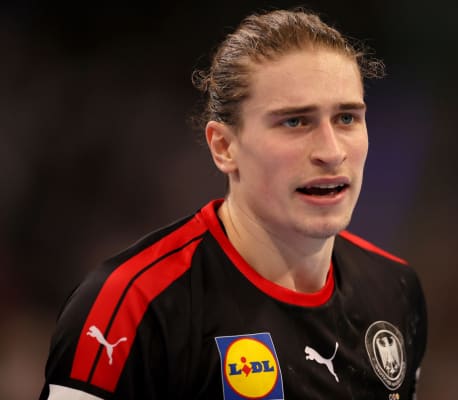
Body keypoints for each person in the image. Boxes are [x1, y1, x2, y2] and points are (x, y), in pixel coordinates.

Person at [40, 8, 427, 400]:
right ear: (224, 146)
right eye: (295, 122)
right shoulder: (131, 305)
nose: (331, 151)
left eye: (346, 118)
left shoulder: (395, 291)